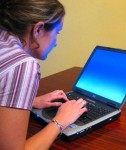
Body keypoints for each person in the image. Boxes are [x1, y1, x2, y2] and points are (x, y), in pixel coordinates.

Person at [0, 0, 87, 150]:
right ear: (38, 29)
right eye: (57, 33)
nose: (56, 43)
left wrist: (29, 101)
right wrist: (61, 120)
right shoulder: (23, 65)